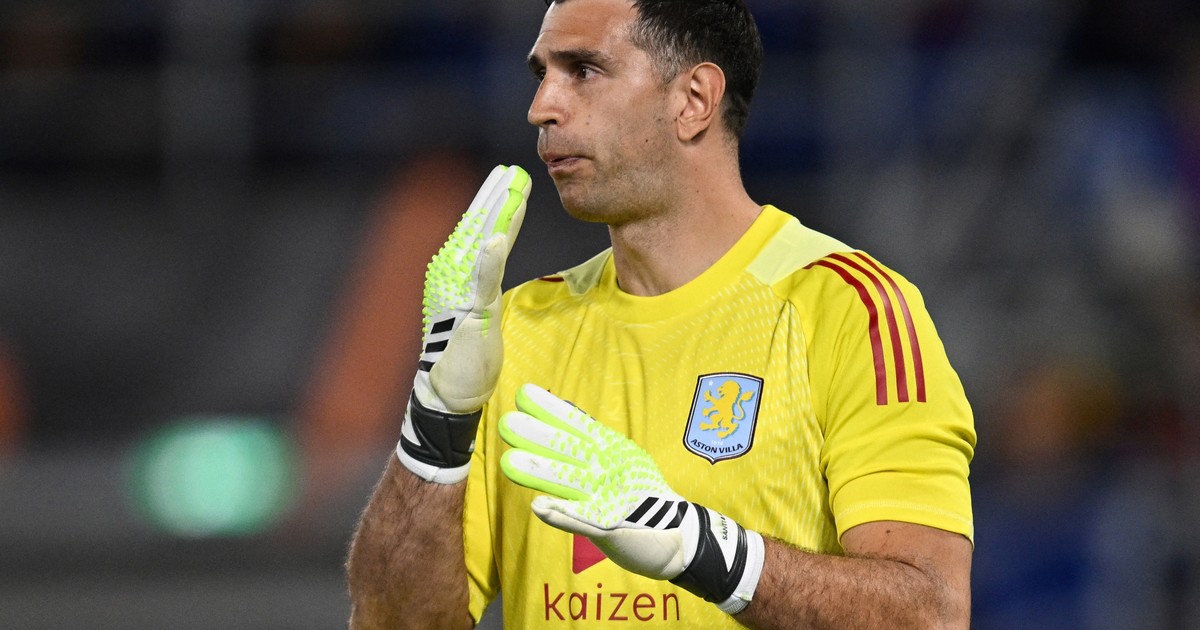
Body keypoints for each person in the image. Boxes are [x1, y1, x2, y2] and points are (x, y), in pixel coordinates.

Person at [346, 0, 976, 628]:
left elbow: (931, 615)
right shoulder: (515, 327)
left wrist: (706, 552)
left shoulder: (852, 309)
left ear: (694, 100)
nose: (541, 107)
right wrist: (437, 423)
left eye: (584, 70)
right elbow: (389, 623)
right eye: (542, 74)